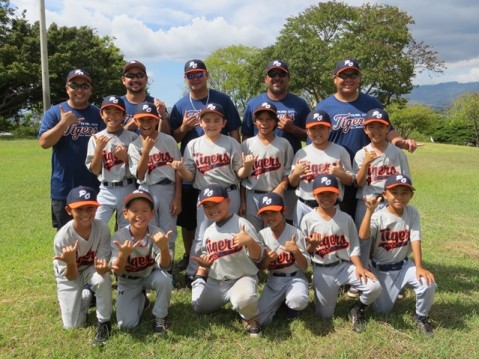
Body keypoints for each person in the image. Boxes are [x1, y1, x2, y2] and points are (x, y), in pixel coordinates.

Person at [315, 58, 418, 218]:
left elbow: (388, 129)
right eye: (344, 75)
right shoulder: (324, 107)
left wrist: (400, 142)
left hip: (369, 176)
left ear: (359, 79)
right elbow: (315, 143)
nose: (349, 79)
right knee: (341, 227)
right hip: (339, 176)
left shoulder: (371, 103)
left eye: (353, 75)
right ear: (335, 79)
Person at [169, 59, 243, 272]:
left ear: (206, 75)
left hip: (222, 168)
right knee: (194, 223)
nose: (195, 78)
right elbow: (173, 136)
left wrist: (236, 156)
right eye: (191, 75)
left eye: (199, 74)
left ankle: (227, 262)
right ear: (186, 78)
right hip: (195, 168)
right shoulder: (181, 104)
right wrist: (183, 128)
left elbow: (235, 130)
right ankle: (192, 262)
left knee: (228, 223)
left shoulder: (222, 99)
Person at [170, 103, 254, 283]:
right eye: (207, 120)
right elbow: (191, 176)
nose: (212, 124)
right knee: (201, 235)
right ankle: (194, 272)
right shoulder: (193, 144)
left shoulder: (231, 143)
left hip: (229, 192)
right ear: (200, 122)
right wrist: (181, 169)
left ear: (224, 123)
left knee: (232, 232)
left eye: (216, 120)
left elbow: (239, 174)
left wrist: (246, 167)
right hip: (205, 194)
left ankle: (235, 269)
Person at [300, 174, 382, 333]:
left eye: (330, 193)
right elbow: (305, 252)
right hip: (322, 268)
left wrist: (359, 267)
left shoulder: (345, 218)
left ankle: (357, 308)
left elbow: (353, 247)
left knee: (374, 286)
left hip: (344, 266)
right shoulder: (308, 219)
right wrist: (313, 246)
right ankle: (319, 287)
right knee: (325, 315)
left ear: (338, 194)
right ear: (314, 195)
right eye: (321, 193)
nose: (326, 197)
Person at [358, 174, 436, 336]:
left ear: (411, 195)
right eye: (395, 192)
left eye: (404, 192)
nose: (400, 197)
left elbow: (416, 239)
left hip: (404, 265)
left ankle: (421, 317)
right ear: (385, 194)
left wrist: (419, 267)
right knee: (383, 310)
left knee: (428, 283)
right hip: (381, 268)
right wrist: (369, 211)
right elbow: (363, 235)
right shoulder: (379, 215)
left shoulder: (412, 212)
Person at [241, 59, 310, 222]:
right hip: (258, 177)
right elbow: (246, 137)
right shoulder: (253, 103)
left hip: (287, 178)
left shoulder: (299, 104)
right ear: (266, 78)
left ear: (288, 78)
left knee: (284, 225)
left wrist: (292, 129)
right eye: (272, 74)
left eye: (281, 74)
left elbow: (313, 136)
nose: (277, 77)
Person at [190, 184, 264, 337]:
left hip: (242, 277)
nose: (212, 208)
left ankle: (250, 317)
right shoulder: (208, 232)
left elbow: (259, 257)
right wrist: (205, 266)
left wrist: (249, 242)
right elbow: (209, 258)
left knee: (245, 299)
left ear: (228, 202)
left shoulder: (242, 224)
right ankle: (198, 281)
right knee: (198, 307)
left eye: (216, 203)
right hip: (217, 281)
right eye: (207, 206)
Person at [39, 69, 105, 229]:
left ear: (90, 90)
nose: (79, 90)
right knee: (65, 234)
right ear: (67, 88)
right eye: (74, 85)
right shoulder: (55, 112)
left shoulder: (99, 114)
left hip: (93, 184)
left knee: (92, 235)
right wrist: (63, 124)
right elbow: (44, 143)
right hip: (63, 186)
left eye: (84, 85)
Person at [52, 186, 112, 347]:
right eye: (79, 209)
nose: (86, 214)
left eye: (90, 208)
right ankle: (86, 296)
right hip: (70, 274)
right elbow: (70, 276)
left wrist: (103, 269)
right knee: (72, 325)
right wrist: (71, 262)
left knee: (101, 278)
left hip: (90, 269)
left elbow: (101, 266)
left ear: (97, 207)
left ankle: (104, 322)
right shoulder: (62, 238)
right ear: (69, 210)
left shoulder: (102, 228)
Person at [110, 190, 174, 334]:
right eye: (134, 210)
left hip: (149, 276)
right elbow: (117, 271)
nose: (140, 214)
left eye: (145, 210)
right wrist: (123, 255)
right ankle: (141, 299)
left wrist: (164, 248)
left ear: (152, 214)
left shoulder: (156, 233)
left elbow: (165, 266)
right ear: (125, 214)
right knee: (126, 325)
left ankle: (160, 317)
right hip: (128, 281)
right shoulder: (119, 236)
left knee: (165, 279)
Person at [353, 108, 411, 266]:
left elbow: (406, 182)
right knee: (363, 239)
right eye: (371, 127)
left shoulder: (398, 153)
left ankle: (389, 272)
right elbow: (358, 183)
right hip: (367, 201)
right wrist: (365, 164)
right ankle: (363, 273)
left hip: (390, 202)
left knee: (388, 239)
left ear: (387, 129)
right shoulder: (361, 153)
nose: (376, 131)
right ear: (365, 130)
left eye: (381, 126)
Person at [128, 102, 182, 256]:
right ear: (136, 121)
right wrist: (145, 152)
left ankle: (167, 267)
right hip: (145, 189)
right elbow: (139, 175)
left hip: (167, 189)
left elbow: (178, 169)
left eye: (150, 119)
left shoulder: (168, 140)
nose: (146, 124)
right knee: (148, 229)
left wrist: (178, 197)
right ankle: (151, 265)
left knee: (168, 231)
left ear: (156, 120)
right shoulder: (134, 146)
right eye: (142, 120)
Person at [288, 109, 353, 228]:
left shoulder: (340, 151)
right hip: (305, 205)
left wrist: (340, 174)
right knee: (302, 242)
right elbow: (292, 182)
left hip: (332, 206)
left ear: (330, 129)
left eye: (322, 127)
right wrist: (296, 173)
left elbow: (351, 181)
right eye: (313, 128)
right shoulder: (301, 153)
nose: (317, 132)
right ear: (307, 131)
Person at [256, 192, 309, 326]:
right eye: (265, 214)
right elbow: (261, 267)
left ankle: (291, 308)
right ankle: (280, 302)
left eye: (273, 212)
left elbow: (305, 266)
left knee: (297, 300)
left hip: (295, 277)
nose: (269, 217)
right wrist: (267, 260)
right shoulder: (262, 235)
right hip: (274, 279)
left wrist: (296, 251)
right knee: (260, 320)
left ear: (283, 210)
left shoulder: (295, 233)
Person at [85, 95, 138, 229]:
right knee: (96, 226)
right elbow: (95, 170)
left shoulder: (133, 137)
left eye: (117, 112)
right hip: (106, 189)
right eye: (108, 112)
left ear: (124, 115)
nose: (112, 116)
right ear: (101, 114)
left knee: (126, 229)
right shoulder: (96, 138)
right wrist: (98, 150)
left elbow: (139, 170)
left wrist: (125, 157)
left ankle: (120, 251)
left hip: (128, 187)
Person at [240, 101, 293, 231]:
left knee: (275, 231)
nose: (264, 123)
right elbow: (241, 179)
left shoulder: (284, 144)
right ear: (254, 122)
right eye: (260, 119)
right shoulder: (247, 144)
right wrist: (243, 201)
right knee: (254, 233)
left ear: (276, 122)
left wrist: (281, 187)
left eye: (269, 119)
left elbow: (289, 172)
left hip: (276, 194)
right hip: (253, 195)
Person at [120, 60, 170, 134]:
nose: (135, 79)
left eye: (140, 76)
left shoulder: (156, 104)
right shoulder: (116, 103)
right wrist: (129, 126)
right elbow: (107, 137)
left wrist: (163, 117)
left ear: (146, 79)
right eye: (130, 76)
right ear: (123, 80)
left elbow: (166, 139)